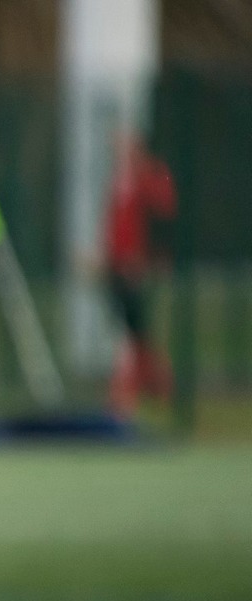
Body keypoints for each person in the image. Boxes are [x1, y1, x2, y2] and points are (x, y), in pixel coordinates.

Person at [104, 132, 177, 417]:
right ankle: (151, 386)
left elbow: (161, 218)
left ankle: (143, 388)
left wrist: (147, 259)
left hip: (137, 267)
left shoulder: (150, 177)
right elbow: (116, 226)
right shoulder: (119, 181)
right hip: (118, 265)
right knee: (132, 330)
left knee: (137, 329)